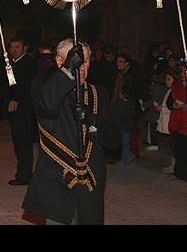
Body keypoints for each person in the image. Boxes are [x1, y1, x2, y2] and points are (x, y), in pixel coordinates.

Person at [22, 39, 122, 224]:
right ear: (60, 62)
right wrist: (68, 70)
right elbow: (46, 107)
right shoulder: (43, 86)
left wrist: (92, 120)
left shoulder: (97, 93)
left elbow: (114, 139)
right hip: (57, 183)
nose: (81, 67)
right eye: (75, 61)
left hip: (89, 186)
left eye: (85, 61)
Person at [0, 37, 38, 185]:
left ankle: (25, 175)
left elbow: (28, 86)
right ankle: (21, 172)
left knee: (23, 142)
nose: (14, 50)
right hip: (14, 108)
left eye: (17, 47)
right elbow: (10, 83)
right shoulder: (12, 63)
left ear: (25, 47)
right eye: (11, 47)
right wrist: (2, 94)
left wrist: (17, 99)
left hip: (23, 108)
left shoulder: (28, 63)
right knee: (18, 142)